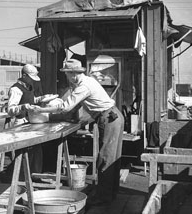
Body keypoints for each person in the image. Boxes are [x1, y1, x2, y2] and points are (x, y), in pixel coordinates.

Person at [29, 59, 125, 207]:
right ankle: (110, 193)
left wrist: (41, 110)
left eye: (67, 74)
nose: (67, 77)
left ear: (72, 74)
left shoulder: (84, 86)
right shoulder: (83, 83)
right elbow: (77, 106)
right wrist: (73, 118)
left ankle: (103, 197)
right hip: (114, 116)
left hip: (109, 119)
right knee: (112, 157)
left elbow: (66, 107)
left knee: (106, 158)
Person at [2, 64, 45, 181]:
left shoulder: (29, 87)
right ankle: (20, 179)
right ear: (24, 75)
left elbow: (30, 100)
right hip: (21, 123)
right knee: (23, 153)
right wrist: (23, 107)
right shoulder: (16, 89)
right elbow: (10, 110)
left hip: (31, 122)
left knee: (35, 152)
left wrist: (41, 99)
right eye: (30, 77)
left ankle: (32, 177)